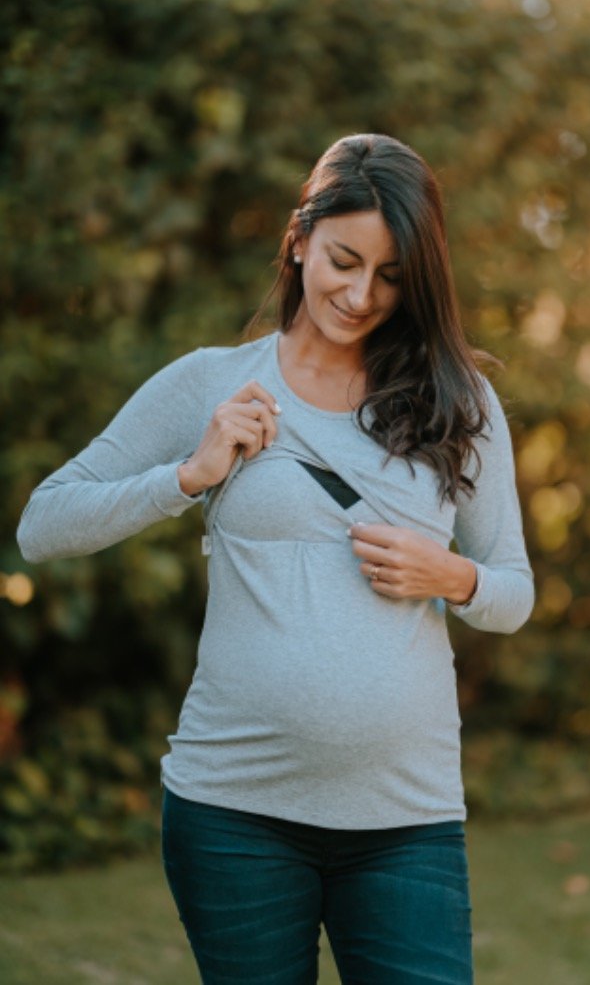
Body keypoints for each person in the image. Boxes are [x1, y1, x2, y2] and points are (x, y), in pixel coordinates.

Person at [17, 133, 534, 985]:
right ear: (299, 241)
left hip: (406, 820)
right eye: (343, 261)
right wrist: (189, 476)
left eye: (391, 275)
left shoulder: (460, 402)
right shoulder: (213, 383)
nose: (360, 295)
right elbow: (43, 525)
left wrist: (454, 577)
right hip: (233, 815)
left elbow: (512, 590)